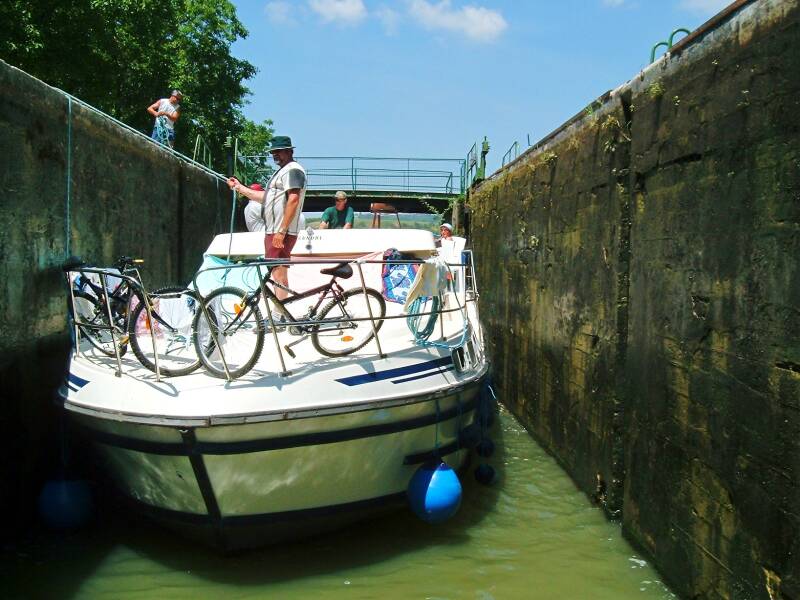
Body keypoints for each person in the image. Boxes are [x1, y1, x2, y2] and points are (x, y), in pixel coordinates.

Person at [227, 136, 306, 304]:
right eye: (273, 152)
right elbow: (265, 198)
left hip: (281, 232)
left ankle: (279, 315)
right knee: (276, 271)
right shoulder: (282, 172)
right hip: (274, 231)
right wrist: (240, 187)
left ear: (290, 151)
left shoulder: (293, 170)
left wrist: (281, 231)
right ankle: (280, 312)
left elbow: (293, 199)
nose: (275, 155)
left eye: (279, 151)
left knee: (279, 273)